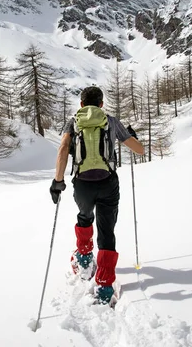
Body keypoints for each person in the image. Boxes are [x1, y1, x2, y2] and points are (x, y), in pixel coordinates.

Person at [49, 86, 144, 304]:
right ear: (101, 104)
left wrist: (58, 181)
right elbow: (139, 150)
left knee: (84, 216)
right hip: (109, 182)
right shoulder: (111, 121)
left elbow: (63, 148)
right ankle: (104, 284)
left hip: (82, 184)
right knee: (107, 231)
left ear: (82, 104)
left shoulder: (73, 122)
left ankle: (83, 258)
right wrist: (133, 138)